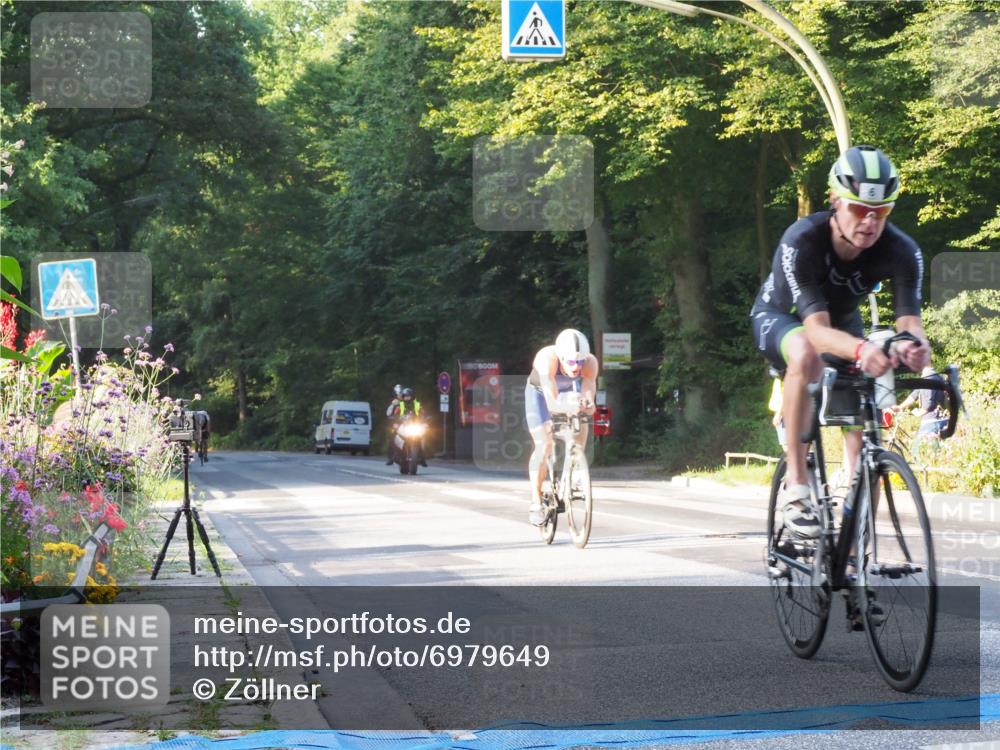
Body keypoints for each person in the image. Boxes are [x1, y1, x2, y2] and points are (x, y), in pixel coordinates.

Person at [750, 145, 931, 539]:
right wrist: (864, 349)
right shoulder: (803, 240)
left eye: (880, 212)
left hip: (843, 322)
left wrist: (912, 348)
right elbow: (815, 332)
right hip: (783, 318)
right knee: (807, 355)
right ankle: (797, 486)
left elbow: (910, 324)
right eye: (859, 210)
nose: (870, 221)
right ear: (835, 201)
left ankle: (853, 550)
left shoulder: (902, 251)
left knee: (863, 425)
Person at [524, 329, 598, 526]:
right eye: (571, 362)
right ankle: (536, 501)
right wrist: (568, 406)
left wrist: (587, 405)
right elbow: (552, 403)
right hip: (540, 395)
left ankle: (574, 465)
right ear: (561, 357)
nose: (576, 367)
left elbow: (589, 393)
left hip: (568, 393)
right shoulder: (547, 359)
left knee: (582, 422)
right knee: (544, 445)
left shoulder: (590, 362)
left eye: (580, 362)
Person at [892, 365, 947, 461]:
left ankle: (923, 472)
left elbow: (928, 404)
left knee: (915, 452)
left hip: (933, 421)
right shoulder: (935, 376)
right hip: (940, 418)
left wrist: (919, 412)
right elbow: (914, 395)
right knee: (936, 453)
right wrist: (900, 407)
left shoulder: (929, 377)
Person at [393, 388, 428, 467]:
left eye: (408, 396)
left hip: (415, 425)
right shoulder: (400, 405)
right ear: (403, 397)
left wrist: (425, 419)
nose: (407, 398)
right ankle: (394, 455)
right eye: (405, 396)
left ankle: (422, 458)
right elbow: (395, 414)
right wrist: (395, 420)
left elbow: (423, 413)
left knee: (422, 438)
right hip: (404, 425)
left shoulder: (417, 404)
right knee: (395, 436)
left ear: (412, 396)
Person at [385, 384, 404, 464]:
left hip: (408, 424)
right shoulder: (394, 403)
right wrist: (391, 417)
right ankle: (391, 457)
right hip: (397, 424)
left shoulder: (409, 402)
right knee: (391, 436)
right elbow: (388, 413)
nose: (399, 395)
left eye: (400, 393)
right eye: (397, 394)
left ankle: (423, 455)